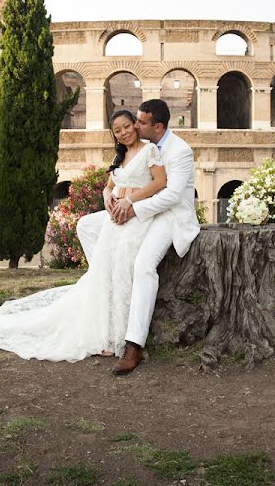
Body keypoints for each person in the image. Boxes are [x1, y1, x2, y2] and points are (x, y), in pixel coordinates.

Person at [0, 110, 167, 362]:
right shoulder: (121, 156)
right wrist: (107, 198)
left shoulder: (149, 151)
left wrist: (129, 201)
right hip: (115, 220)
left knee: (123, 273)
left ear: (135, 127)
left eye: (127, 126)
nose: (124, 132)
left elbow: (160, 182)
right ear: (113, 135)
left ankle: (124, 337)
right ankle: (105, 334)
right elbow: (109, 186)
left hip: (136, 217)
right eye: (118, 130)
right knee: (104, 274)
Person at [77, 99, 200, 375]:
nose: (135, 125)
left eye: (140, 122)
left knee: (143, 265)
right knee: (87, 226)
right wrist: (113, 199)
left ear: (157, 126)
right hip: (138, 208)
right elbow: (115, 182)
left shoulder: (179, 150)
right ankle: (101, 279)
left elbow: (170, 194)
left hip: (170, 215)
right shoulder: (136, 150)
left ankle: (134, 344)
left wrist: (131, 207)